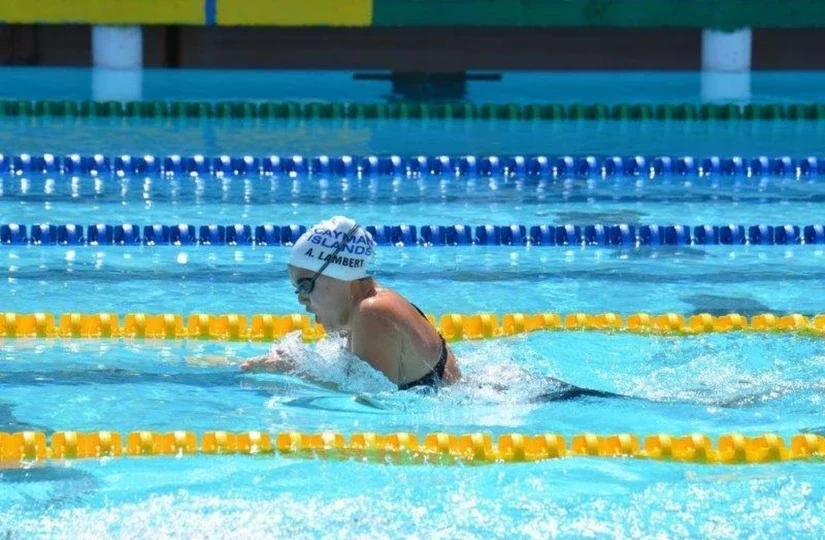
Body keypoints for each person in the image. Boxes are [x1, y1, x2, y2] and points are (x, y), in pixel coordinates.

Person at [241, 216, 462, 391]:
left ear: (339, 275)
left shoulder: (373, 311)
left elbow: (372, 398)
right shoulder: (371, 306)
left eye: (305, 285)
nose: (301, 299)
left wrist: (295, 371)